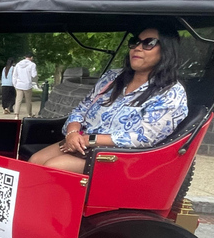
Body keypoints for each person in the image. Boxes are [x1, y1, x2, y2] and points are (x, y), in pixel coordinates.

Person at [29, 26, 188, 174]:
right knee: (34, 162)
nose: (137, 48)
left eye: (149, 43)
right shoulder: (112, 78)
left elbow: (143, 137)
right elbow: (81, 109)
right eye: (135, 42)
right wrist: (72, 133)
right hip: (82, 142)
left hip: (119, 157)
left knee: (53, 168)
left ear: (167, 50)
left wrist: (90, 140)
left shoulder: (171, 92)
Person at [12, 53, 37, 119]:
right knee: (28, 100)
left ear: (25, 57)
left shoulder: (18, 64)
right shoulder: (32, 65)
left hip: (19, 84)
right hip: (27, 85)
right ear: (31, 57)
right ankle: (29, 114)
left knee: (18, 100)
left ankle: (16, 115)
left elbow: (14, 75)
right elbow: (34, 75)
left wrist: (15, 84)